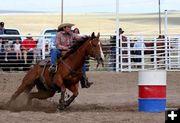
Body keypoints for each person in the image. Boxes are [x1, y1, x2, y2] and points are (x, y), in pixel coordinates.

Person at [49, 23, 93, 88]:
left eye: (70, 27)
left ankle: (84, 79)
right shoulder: (59, 34)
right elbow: (57, 45)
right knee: (54, 50)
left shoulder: (71, 34)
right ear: (64, 28)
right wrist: (66, 48)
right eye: (68, 27)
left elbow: (78, 37)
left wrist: (88, 37)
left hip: (69, 51)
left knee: (81, 61)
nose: (70, 29)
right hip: (61, 50)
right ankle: (53, 65)